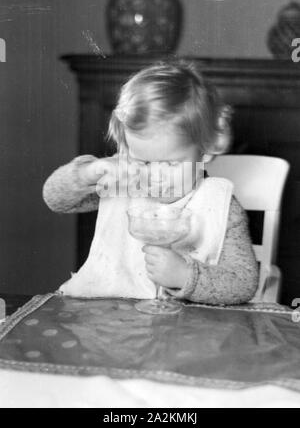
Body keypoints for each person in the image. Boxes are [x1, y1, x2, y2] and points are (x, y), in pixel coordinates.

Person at [43, 60, 258, 305]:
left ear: (205, 149)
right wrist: (88, 173)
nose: (155, 176)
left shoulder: (220, 207)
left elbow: (244, 282)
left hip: (189, 333)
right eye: (143, 162)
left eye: (171, 163)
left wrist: (186, 276)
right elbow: (54, 199)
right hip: (114, 324)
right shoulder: (123, 184)